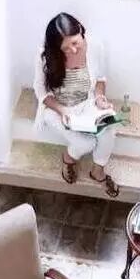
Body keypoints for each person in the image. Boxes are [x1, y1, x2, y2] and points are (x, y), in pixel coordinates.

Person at [33, 12, 119, 197]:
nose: (72, 50)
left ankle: (98, 171)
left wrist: (99, 98)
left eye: (75, 43)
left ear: (80, 30)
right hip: (57, 108)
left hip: (87, 102)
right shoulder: (45, 55)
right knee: (86, 143)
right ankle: (68, 159)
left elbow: (101, 79)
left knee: (110, 127)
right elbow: (41, 92)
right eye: (65, 48)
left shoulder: (95, 46)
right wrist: (62, 110)